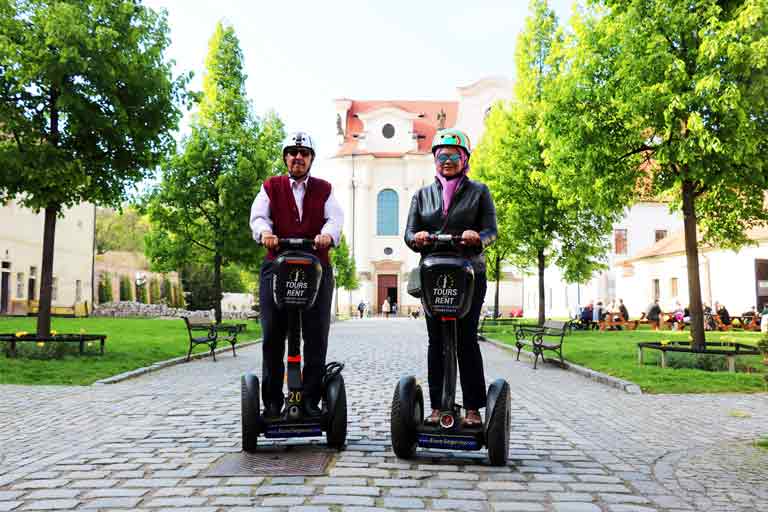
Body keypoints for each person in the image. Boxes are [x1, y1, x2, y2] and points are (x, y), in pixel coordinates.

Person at [405, 128, 497, 428]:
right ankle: (437, 407)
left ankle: (472, 408)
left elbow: (491, 231)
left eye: (454, 156)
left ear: (465, 159)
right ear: (434, 159)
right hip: (435, 274)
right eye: (441, 155)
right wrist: (416, 238)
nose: (447, 161)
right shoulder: (422, 195)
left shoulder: (479, 192)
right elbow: (408, 234)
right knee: (437, 341)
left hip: (469, 273)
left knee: (466, 339)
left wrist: (477, 237)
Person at [249, 131, 344, 419]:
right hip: (277, 267)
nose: (298, 157)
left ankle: (311, 400)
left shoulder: (324, 188)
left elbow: (335, 217)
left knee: (316, 335)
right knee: (272, 336)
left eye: (303, 154)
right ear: (285, 157)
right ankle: (273, 402)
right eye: (292, 153)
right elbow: (259, 216)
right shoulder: (271, 187)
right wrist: (265, 232)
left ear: (311, 159)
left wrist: (327, 235)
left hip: (316, 268)